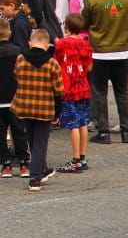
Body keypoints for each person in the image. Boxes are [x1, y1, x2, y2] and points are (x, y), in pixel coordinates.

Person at [82, 0, 128, 145]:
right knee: (122, 92)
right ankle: (126, 132)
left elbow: (84, 23)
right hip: (122, 51)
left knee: (99, 92)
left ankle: (103, 133)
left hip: (99, 52)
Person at [13, 29, 63, 192]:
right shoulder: (52, 63)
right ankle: (35, 177)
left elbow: (16, 77)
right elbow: (58, 91)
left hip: (25, 106)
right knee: (40, 143)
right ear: (48, 46)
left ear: (29, 43)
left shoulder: (20, 59)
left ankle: (43, 168)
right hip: (45, 108)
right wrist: (57, 113)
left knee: (32, 140)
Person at [54, 13, 93, 174]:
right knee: (83, 122)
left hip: (68, 87)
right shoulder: (86, 44)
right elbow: (89, 67)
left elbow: (56, 63)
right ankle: (82, 157)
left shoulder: (61, 44)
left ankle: (75, 159)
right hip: (83, 86)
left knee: (73, 124)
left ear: (66, 27)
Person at [0, 19, 30, 177]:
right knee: (19, 131)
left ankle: (6, 164)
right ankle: (24, 163)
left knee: (1, 133)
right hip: (16, 98)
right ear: (10, 33)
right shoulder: (18, 51)